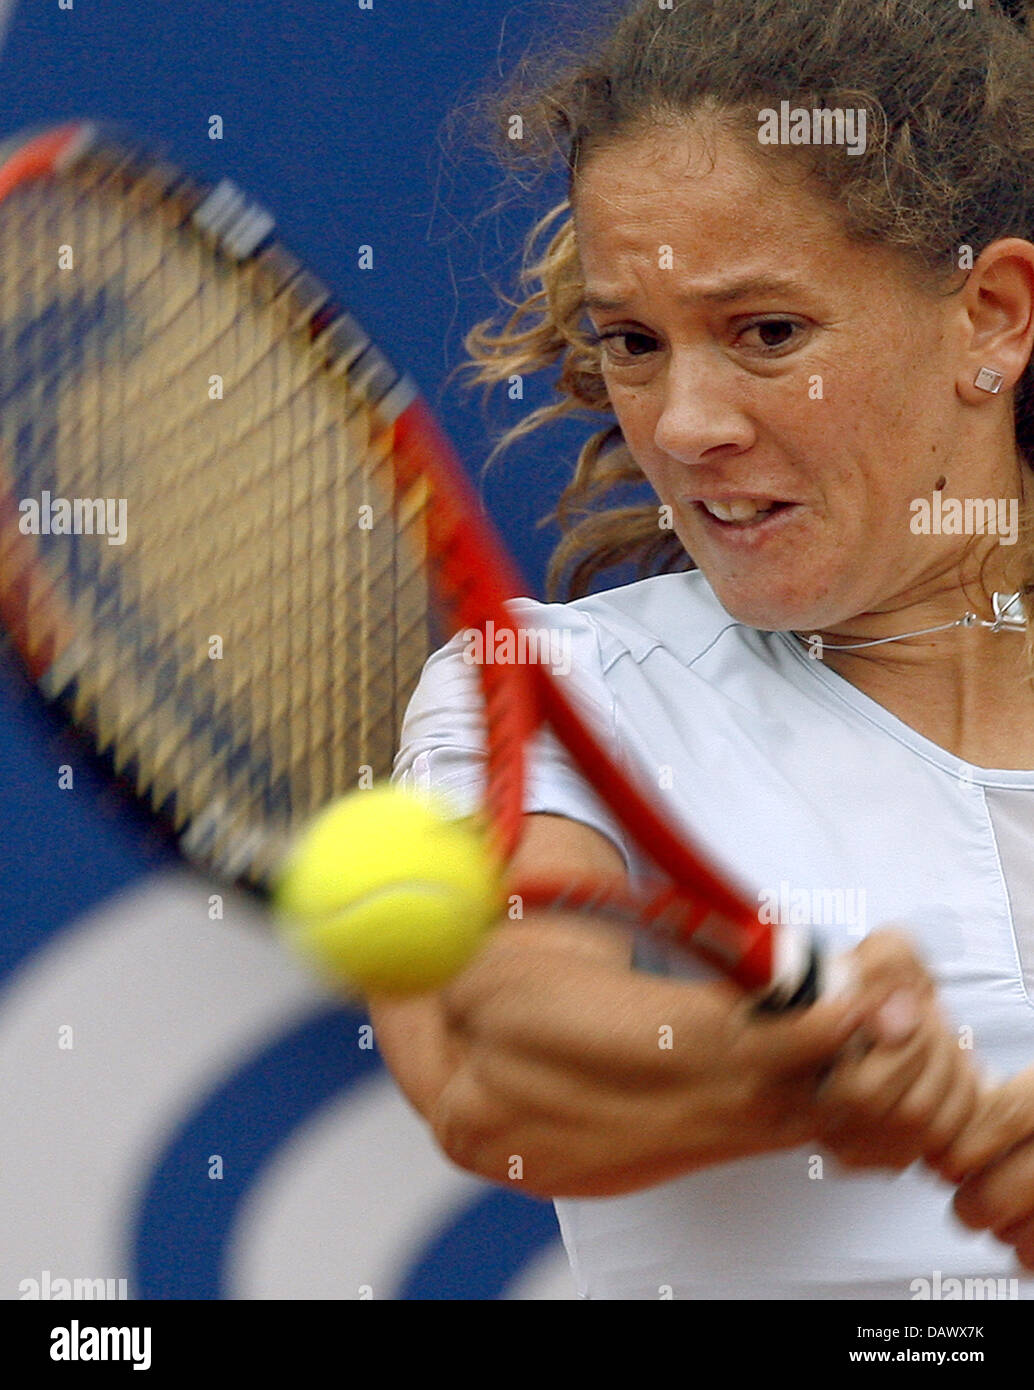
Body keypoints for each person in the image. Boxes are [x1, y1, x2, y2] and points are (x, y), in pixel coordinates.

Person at [371, 0, 1034, 1299]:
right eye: (631, 342)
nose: (680, 424)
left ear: (991, 317)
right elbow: (485, 1058)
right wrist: (771, 1065)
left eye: (765, 333)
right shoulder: (540, 690)